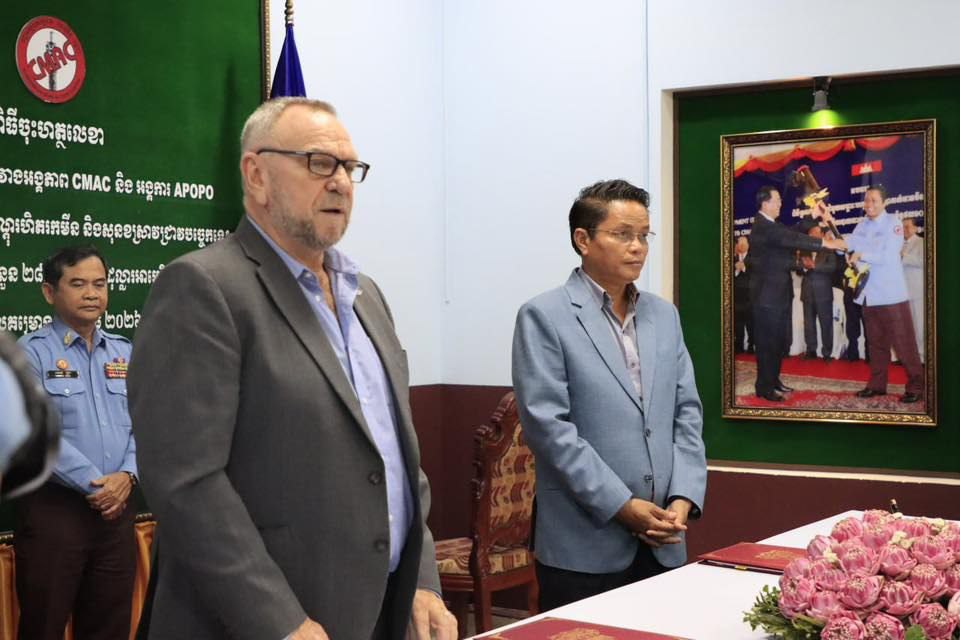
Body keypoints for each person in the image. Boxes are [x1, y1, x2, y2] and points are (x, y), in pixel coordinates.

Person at [127, 98, 455, 640]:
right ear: (256, 175)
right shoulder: (204, 288)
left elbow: (396, 460)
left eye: (349, 167)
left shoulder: (366, 295)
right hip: (262, 624)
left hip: (381, 611)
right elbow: (186, 483)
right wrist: (280, 621)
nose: (341, 182)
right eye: (319, 163)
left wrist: (421, 581)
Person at [511, 179, 706, 610]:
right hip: (584, 543)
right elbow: (549, 430)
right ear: (583, 240)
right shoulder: (544, 316)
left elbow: (687, 412)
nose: (637, 247)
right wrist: (622, 506)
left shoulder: (664, 315)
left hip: (663, 537)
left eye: (644, 236)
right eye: (622, 234)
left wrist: (684, 497)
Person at [15, 245, 138, 640]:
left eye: (99, 284)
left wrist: (128, 476)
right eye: (78, 284)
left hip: (117, 514)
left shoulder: (124, 351)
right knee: (44, 626)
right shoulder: (29, 354)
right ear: (49, 292)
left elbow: (145, 423)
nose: (91, 294)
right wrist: (98, 486)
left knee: (110, 628)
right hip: (55, 514)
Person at [747, 187, 845, 402]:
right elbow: (792, 238)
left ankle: (773, 380)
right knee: (767, 344)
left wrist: (813, 216)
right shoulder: (763, 226)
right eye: (777, 200)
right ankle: (764, 387)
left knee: (778, 342)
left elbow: (794, 230)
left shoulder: (773, 225)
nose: (780, 204)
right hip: (766, 297)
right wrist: (827, 243)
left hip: (779, 294)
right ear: (765, 203)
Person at [846, 186, 923, 403]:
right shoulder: (861, 225)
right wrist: (840, 247)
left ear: (884, 203)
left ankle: (917, 386)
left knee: (904, 344)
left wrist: (861, 254)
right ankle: (877, 385)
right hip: (869, 295)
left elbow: (888, 256)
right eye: (866, 200)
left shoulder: (893, 224)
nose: (869, 204)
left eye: (874, 200)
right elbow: (848, 244)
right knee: (876, 344)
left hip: (891, 295)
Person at [797, 223, 838, 361]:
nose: (813, 235)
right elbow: (798, 269)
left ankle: (827, 352)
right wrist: (803, 267)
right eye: (811, 233)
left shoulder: (828, 249)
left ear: (821, 235)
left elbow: (832, 267)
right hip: (807, 292)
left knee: (826, 324)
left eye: (816, 232)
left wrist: (814, 266)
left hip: (823, 293)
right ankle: (811, 350)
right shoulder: (804, 250)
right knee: (809, 324)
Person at [901, 217, 924, 362]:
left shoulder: (921, 242)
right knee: (905, 326)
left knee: (919, 325)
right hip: (901, 292)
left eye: (907, 227)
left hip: (916, 291)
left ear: (916, 228)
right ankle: (907, 356)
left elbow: (924, 262)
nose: (904, 230)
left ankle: (921, 356)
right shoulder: (899, 244)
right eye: (902, 227)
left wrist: (904, 256)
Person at [733, 236, 753, 353]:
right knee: (738, 323)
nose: (740, 245)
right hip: (737, 296)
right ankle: (739, 345)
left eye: (743, 243)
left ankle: (751, 345)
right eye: (739, 243)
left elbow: (754, 273)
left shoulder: (752, 257)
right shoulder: (733, 257)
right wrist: (736, 269)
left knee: (750, 322)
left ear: (748, 245)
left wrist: (743, 267)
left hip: (749, 295)